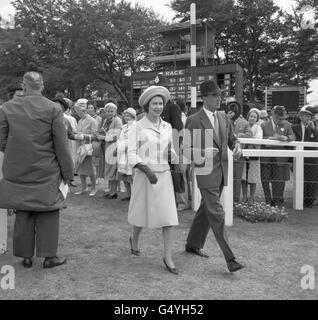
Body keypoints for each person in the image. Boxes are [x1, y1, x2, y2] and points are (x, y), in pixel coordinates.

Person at [0, 71, 74, 268]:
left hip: (18, 170)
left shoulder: (7, 107)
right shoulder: (53, 108)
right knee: (49, 212)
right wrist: (68, 173)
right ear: (42, 86)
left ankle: (26, 256)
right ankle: (49, 257)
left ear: (23, 86)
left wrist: (18, 152)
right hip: (47, 170)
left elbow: (2, 141)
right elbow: (61, 145)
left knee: (23, 212)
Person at [183, 79, 245, 273]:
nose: (219, 98)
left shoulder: (224, 117)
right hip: (205, 173)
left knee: (206, 211)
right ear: (204, 98)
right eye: (215, 95)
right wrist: (202, 153)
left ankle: (192, 244)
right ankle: (231, 259)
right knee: (217, 214)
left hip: (221, 173)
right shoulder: (193, 120)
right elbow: (184, 149)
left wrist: (237, 146)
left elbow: (233, 140)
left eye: (220, 95)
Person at [127, 85, 179, 275]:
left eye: (160, 103)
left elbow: (169, 149)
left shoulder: (167, 126)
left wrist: (175, 156)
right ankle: (134, 239)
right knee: (140, 215)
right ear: (147, 106)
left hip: (164, 176)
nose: (158, 107)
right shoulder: (136, 127)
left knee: (169, 218)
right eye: (154, 103)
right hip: (145, 177)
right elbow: (131, 154)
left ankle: (167, 257)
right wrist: (147, 170)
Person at [261, 105, 295, 207]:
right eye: (277, 118)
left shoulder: (287, 125)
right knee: (265, 179)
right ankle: (268, 200)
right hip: (266, 157)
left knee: (279, 180)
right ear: (272, 114)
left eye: (281, 118)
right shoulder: (263, 125)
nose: (279, 120)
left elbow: (293, 136)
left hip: (280, 158)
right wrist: (272, 138)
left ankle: (277, 201)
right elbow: (260, 138)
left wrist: (286, 137)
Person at [292, 106, 318, 207]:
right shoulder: (294, 127)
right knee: (301, 180)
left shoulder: (312, 129)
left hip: (311, 159)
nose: (308, 118)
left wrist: (314, 129)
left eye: (309, 116)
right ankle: (301, 200)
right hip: (299, 158)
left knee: (311, 180)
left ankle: (310, 200)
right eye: (306, 116)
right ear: (301, 117)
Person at [225, 101, 251, 203]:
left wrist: (238, 136)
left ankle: (235, 200)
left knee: (237, 179)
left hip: (238, 155)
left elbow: (250, 134)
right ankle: (226, 200)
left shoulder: (244, 122)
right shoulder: (223, 120)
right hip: (225, 155)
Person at [96, 102, 122, 199]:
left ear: (115, 111)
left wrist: (103, 137)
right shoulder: (105, 120)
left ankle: (114, 192)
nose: (110, 113)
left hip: (113, 148)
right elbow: (103, 130)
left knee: (113, 170)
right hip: (105, 148)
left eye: (112, 111)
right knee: (108, 170)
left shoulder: (117, 121)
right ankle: (110, 190)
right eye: (108, 111)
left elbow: (116, 136)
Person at [74, 99, 98, 196]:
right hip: (80, 147)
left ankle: (94, 188)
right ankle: (84, 187)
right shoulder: (79, 121)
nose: (77, 113)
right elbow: (77, 133)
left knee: (91, 169)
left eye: (79, 111)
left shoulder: (92, 121)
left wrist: (84, 136)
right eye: (76, 112)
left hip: (89, 147)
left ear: (84, 110)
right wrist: (76, 135)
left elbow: (95, 136)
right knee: (80, 168)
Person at [240, 108, 263, 205]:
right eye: (251, 116)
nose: (252, 118)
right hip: (244, 154)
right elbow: (239, 136)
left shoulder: (258, 128)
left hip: (254, 155)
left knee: (253, 178)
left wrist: (246, 137)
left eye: (254, 117)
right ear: (248, 117)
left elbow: (257, 139)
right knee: (243, 177)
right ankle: (245, 197)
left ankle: (252, 198)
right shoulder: (244, 125)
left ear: (257, 119)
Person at [117, 107, 137, 201]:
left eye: (128, 115)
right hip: (122, 153)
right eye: (125, 115)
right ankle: (129, 194)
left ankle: (135, 195)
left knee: (131, 176)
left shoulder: (136, 126)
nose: (126, 117)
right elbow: (120, 139)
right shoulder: (124, 127)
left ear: (133, 116)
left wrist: (127, 147)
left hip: (131, 153)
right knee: (124, 175)